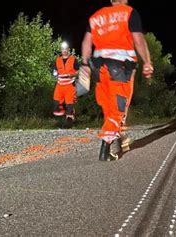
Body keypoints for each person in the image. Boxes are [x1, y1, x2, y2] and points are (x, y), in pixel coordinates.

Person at [81, 0, 153, 161]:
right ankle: (105, 148)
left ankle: (119, 137)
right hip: (120, 68)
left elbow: (87, 42)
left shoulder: (96, 16)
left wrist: (85, 65)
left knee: (108, 107)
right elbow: (139, 40)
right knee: (118, 108)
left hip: (99, 68)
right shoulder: (129, 12)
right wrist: (147, 62)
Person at [52, 41, 80, 125]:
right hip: (60, 85)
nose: (64, 50)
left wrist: (72, 75)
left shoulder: (73, 59)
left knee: (69, 103)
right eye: (62, 49)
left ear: (68, 49)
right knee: (56, 102)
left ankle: (70, 120)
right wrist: (55, 73)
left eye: (66, 49)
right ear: (61, 50)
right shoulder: (57, 60)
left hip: (69, 85)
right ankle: (62, 118)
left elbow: (79, 71)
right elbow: (54, 71)